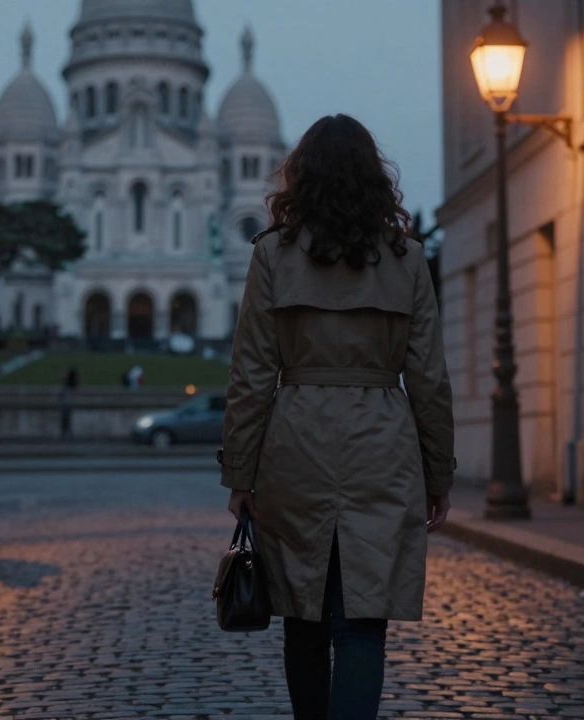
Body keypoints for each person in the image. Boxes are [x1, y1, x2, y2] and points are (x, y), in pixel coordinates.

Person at [220, 114, 455, 720]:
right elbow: (428, 379)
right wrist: (438, 475)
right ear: (375, 181)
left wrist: (240, 476)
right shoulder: (408, 260)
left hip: (295, 443)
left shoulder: (272, 255)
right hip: (383, 444)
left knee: (303, 615)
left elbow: (250, 375)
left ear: (300, 178)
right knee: (362, 622)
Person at [60, 366, 79, 440]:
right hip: (67, 404)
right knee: (67, 420)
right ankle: (67, 433)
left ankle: (65, 434)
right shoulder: (71, 384)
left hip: (66, 403)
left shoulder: (68, 384)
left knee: (66, 420)